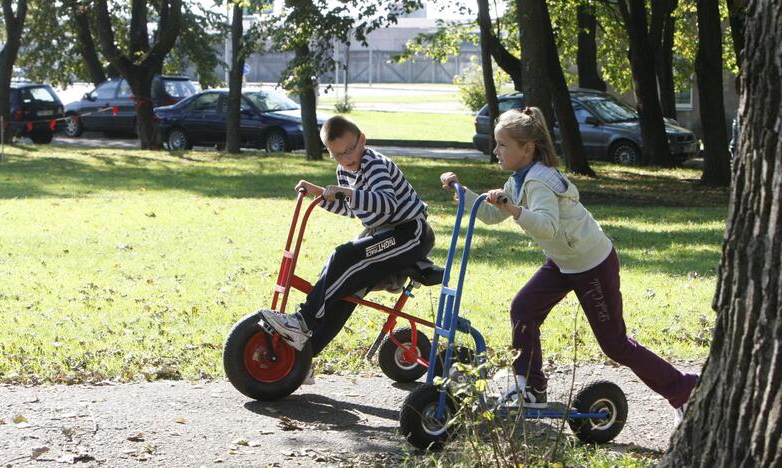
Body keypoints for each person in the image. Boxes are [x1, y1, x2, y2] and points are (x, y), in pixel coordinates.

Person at [440, 107, 697, 426]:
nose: (496, 151)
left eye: (502, 145)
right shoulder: (518, 180)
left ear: (527, 149)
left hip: (591, 263)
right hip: (564, 261)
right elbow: (493, 216)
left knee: (615, 345)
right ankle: (531, 387)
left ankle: (684, 389)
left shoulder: (538, 183)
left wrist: (514, 208)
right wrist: (463, 192)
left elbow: (546, 226)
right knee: (524, 308)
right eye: (497, 144)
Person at [260, 115, 435, 372]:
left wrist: (347, 192)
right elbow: (351, 207)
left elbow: (386, 203)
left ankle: (304, 320)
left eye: (350, 150)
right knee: (343, 288)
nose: (346, 158)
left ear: (362, 139)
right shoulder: (344, 170)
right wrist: (320, 194)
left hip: (410, 233)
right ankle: (302, 358)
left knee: (343, 256)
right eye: (338, 155)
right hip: (382, 232)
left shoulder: (374, 164)